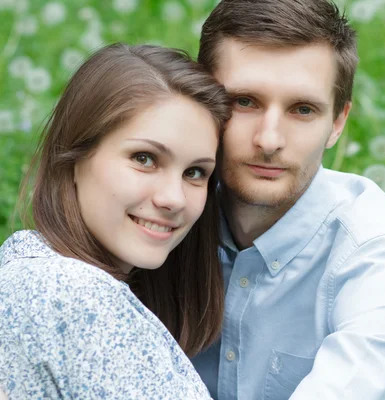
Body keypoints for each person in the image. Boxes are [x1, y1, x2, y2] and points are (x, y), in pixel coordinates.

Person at [190, 0, 385, 399]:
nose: (269, 140)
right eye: (244, 101)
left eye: (302, 109)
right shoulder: (165, 219)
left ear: (337, 123)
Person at [0, 43, 230, 399]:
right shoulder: (77, 295)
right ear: (76, 155)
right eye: (144, 158)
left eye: (195, 172)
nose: (173, 198)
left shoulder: (27, 271)